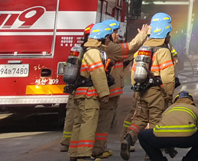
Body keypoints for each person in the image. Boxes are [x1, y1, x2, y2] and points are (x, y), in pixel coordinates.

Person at [120, 15, 177, 160]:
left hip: (141, 90)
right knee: (155, 121)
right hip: (156, 92)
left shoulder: (142, 49)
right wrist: (169, 93)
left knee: (139, 119)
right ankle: (150, 153)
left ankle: (128, 139)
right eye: (168, 34)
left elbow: (134, 72)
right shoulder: (163, 51)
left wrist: (137, 91)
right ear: (165, 34)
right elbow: (167, 75)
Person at [92, 19, 150, 158]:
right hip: (108, 92)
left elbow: (128, 54)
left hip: (108, 91)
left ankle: (99, 148)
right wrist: (142, 35)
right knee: (103, 122)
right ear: (107, 34)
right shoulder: (110, 47)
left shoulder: (107, 47)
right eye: (115, 32)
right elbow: (130, 49)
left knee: (102, 121)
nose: (117, 35)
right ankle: (97, 149)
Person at [68, 23, 112, 160]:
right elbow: (97, 73)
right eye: (108, 37)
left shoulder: (85, 50)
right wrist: (104, 93)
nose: (109, 40)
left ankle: (74, 153)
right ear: (102, 38)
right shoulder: (94, 52)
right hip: (89, 95)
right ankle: (84, 155)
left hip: (79, 93)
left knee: (78, 124)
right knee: (88, 124)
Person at [137, 90, 198, 161]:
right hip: (187, 139)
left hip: (162, 139)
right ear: (191, 101)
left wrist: (169, 148)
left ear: (176, 101)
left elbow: (167, 128)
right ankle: (190, 159)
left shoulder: (168, 109)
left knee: (142, 135)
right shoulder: (195, 109)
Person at [60, 23, 93, 153]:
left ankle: (67, 144)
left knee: (72, 117)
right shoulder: (92, 52)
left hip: (73, 87)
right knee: (82, 120)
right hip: (84, 88)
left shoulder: (78, 49)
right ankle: (76, 146)